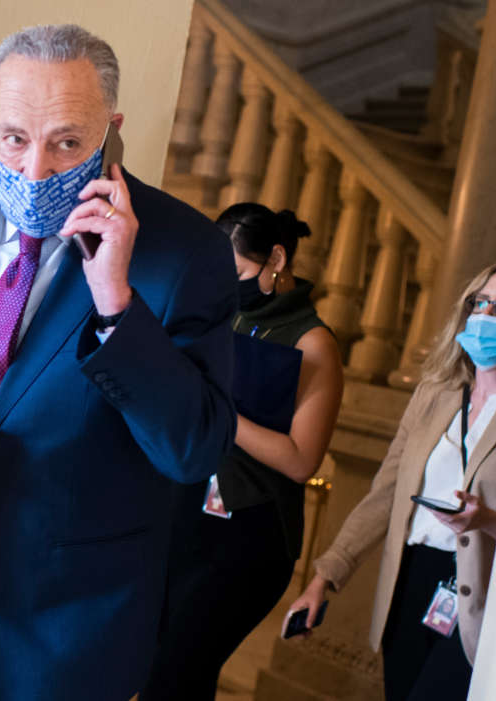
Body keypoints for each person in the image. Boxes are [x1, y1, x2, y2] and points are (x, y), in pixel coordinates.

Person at [0, 24, 237, 700]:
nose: (35, 170)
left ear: (110, 129)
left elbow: (194, 449)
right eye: (14, 139)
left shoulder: (186, 253)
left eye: (66, 142)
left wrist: (116, 302)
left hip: (57, 637)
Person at [287, 259, 496, 701]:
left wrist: (488, 520)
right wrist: (324, 577)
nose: (488, 315)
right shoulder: (436, 393)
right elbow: (387, 494)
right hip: (410, 583)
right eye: (482, 302)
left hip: (484, 596)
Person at [141, 204, 344, 699]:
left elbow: (300, 461)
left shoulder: (314, 343)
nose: (227, 285)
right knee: (156, 668)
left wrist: (220, 413)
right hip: (185, 512)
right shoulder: (219, 317)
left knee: (178, 670)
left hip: (250, 532)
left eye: (237, 273)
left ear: (276, 258)